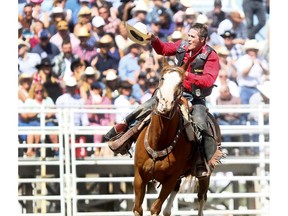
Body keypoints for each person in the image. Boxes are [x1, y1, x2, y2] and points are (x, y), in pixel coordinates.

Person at [104, 22, 220, 178]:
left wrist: (185, 75)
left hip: (196, 96)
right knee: (145, 107)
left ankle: (202, 159)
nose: (189, 39)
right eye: (189, 35)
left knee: (200, 123)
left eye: (192, 36)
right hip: (174, 91)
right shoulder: (183, 46)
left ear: (202, 40)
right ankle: (123, 135)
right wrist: (153, 40)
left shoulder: (211, 56)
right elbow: (164, 49)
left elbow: (208, 81)